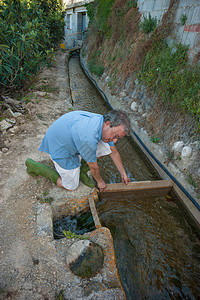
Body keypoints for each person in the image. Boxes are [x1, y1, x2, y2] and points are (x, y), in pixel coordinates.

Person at [38, 110, 131, 192]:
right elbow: (94, 167)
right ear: (107, 123)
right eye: (115, 136)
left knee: (107, 148)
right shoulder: (88, 138)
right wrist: (100, 182)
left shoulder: (100, 122)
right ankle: (35, 166)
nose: (115, 140)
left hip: (70, 139)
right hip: (59, 148)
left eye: (118, 138)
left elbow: (113, 152)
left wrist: (123, 174)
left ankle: (81, 170)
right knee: (71, 186)